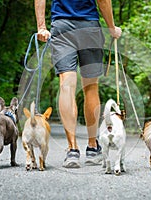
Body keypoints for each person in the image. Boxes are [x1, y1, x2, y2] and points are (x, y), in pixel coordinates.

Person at [35, 0, 122, 168]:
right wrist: (111, 27)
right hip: (89, 25)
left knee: (66, 87)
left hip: (61, 26)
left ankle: (72, 149)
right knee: (91, 88)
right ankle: (91, 147)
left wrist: (41, 27)